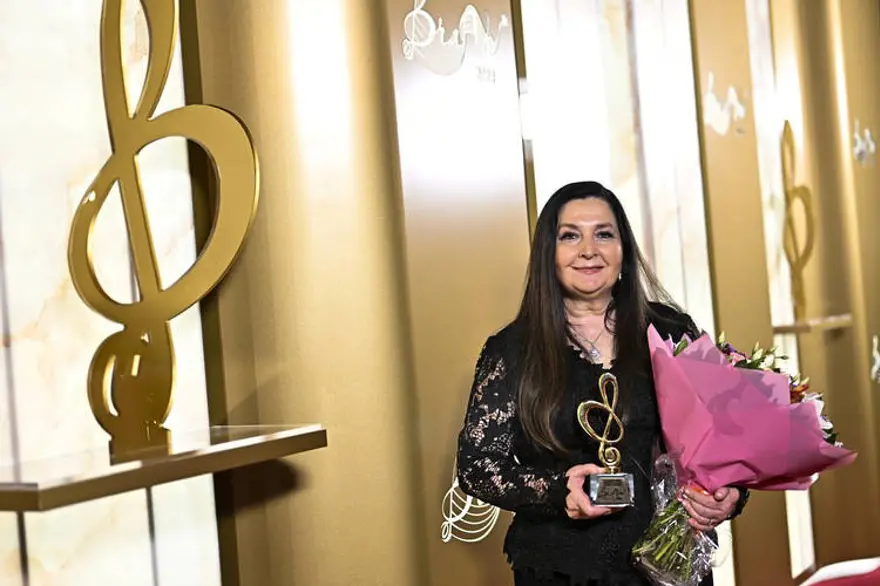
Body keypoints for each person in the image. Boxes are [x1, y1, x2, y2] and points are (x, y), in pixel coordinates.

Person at [456, 182, 748, 586]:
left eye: (604, 234)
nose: (588, 250)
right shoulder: (511, 350)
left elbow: (725, 441)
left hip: (669, 563)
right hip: (560, 569)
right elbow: (477, 466)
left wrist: (730, 494)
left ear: (623, 249)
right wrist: (559, 490)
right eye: (570, 236)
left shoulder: (670, 331)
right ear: (548, 254)